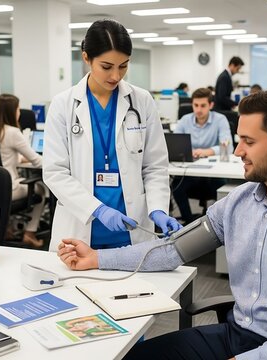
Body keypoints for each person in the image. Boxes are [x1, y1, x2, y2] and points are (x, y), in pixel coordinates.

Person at [57, 89, 267, 360]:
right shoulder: (241, 200)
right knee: (136, 357)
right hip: (238, 334)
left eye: (248, 141)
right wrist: (96, 258)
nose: (237, 151)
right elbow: (173, 249)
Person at [43, 19, 181, 251]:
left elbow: (155, 166)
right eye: (107, 66)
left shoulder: (142, 101)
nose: (116, 76)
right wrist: (98, 210)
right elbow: (55, 172)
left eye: (123, 66)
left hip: (132, 231)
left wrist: (158, 208)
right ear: (86, 58)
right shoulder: (63, 105)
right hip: (80, 231)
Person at [0, 94, 47, 248]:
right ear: (12, 111)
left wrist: (20, 159)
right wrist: (57, 162)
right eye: (18, 109)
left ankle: (7, 229)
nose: (20, 113)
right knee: (41, 190)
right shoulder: (12, 132)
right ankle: (30, 233)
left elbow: (1, 157)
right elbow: (37, 161)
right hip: (10, 188)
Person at [172, 87, 234, 222]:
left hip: (214, 173)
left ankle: (216, 223)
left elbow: (228, 147)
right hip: (190, 170)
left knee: (226, 191)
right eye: (195, 105)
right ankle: (188, 222)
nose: (198, 110)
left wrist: (206, 152)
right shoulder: (185, 120)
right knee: (176, 187)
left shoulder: (220, 120)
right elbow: (175, 144)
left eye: (203, 106)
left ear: (211, 105)